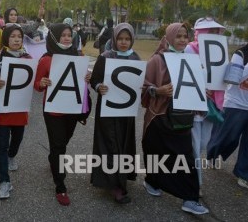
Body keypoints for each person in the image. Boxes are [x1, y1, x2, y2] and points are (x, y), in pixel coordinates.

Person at [141, 23, 209, 215]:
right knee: (156, 153)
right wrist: (159, 90)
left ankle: (190, 197)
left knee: (186, 158)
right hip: (159, 117)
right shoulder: (157, 60)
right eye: (178, 36)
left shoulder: (190, 60)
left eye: (185, 36)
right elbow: (144, 88)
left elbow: (192, 87)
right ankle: (152, 181)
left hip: (182, 118)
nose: (182, 40)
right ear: (169, 37)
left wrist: (202, 93)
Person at [34, 23, 91, 206]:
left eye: (69, 35)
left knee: (63, 142)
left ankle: (53, 159)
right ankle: (60, 186)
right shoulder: (46, 60)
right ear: (55, 37)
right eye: (63, 35)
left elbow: (82, 82)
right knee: (59, 146)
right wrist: (42, 82)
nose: (66, 38)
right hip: (53, 110)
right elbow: (36, 85)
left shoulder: (78, 56)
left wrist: (87, 78)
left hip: (72, 109)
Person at [90, 23, 139, 204]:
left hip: (126, 111)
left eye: (127, 39)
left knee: (123, 143)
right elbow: (94, 80)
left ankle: (122, 177)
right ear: (114, 39)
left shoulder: (135, 58)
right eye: (120, 39)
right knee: (110, 144)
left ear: (132, 40)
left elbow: (138, 82)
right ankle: (115, 185)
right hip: (107, 109)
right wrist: (98, 86)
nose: (124, 42)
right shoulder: (105, 57)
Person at [185, 17, 226, 194]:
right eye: (209, 30)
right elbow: (188, 74)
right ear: (200, 32)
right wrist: (202, 89)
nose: (213, 34)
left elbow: (222, 74)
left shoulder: (220, 51)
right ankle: (196, 183)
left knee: (202, 144)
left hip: (212, 106)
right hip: (195, 104)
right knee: (195, 145)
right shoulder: (190, 49)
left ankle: (185, 170)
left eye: (215, 31)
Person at [0, 25, 31, 199]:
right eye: (13, 36)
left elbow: (35, 83)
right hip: (2, 110)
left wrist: (43, 82)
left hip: (19, 110)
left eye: (19, 37)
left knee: (17, 140)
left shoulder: (28, 58)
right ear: (6, 39)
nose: (16, 39)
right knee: (1, 146)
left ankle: (12, 156)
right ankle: (4, 182)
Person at [207, 42, 248, 190]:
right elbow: (232, 78)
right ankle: (212, 154)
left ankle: (243, 174)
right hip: (236, 104)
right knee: (229, 138)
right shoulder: (241, 54)